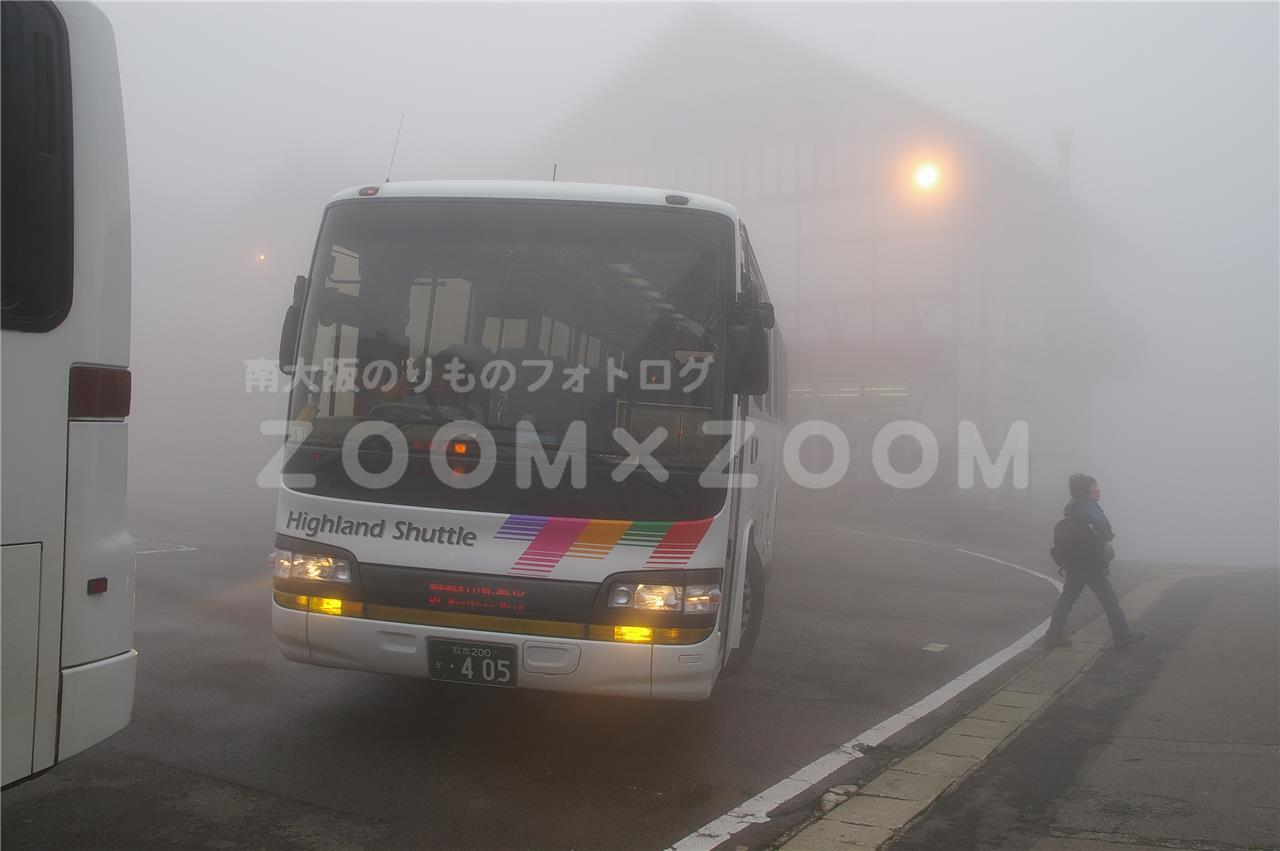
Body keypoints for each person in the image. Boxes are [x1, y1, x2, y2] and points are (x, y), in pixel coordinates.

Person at [1041, 474, 1145, 649]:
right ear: (1088, 490)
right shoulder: (1089, 506)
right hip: (1090, 563)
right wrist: (1105, 536)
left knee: (1067, 598)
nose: (1098, 490)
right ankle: (1122, 636)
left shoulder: (1071, 508)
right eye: (1095, 487)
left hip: (1073, 562)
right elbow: (1105, 529)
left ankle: (1052, 634)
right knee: (1109, 600)